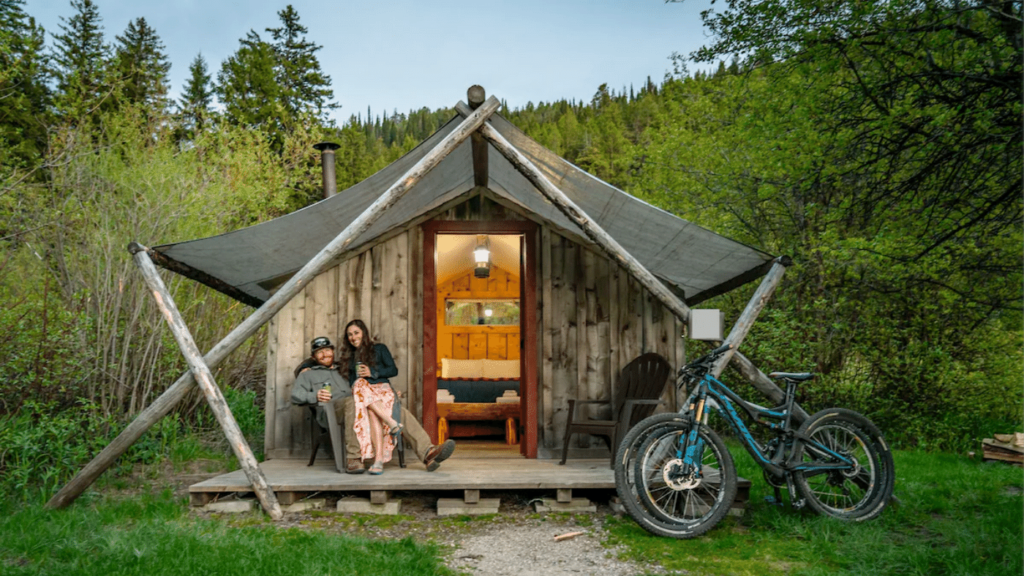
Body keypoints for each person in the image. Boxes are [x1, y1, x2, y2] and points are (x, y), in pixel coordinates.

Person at [294, 331, 456, 474]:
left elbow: (365, 384)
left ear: (333, 351)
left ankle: (427, 452)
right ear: (313, 357)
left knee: (392, 405)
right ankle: (354, 458)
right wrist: (315, 395)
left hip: (360, 404)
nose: (325, 354)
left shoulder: (343, 368)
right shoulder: (307, 374)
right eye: (319, 352)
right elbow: (296, 395)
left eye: (327, 350)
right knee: (352, 401)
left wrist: (387, 394)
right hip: (331, 411)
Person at [339, 319, 458, 475]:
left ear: (364, 332)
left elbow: (393, 370)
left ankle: (427, 452)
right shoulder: (350, 358)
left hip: (382, 392)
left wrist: (372, 373)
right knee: (397, 412)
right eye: (349, 335)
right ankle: (427, 454)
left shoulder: (379, 349)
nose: (353, 337)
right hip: (364, 397)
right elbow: (347, 380)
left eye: (356, 333)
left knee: (398, 412)